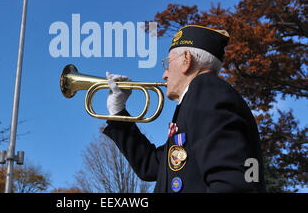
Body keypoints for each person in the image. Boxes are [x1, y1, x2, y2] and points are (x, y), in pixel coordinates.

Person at [103, 25, 266, 193]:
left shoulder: (205, 90)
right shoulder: (199, 97)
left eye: (167, 64)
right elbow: (151, 166)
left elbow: (233, 184)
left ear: (186, 60)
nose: (164, 75)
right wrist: (118, 111)